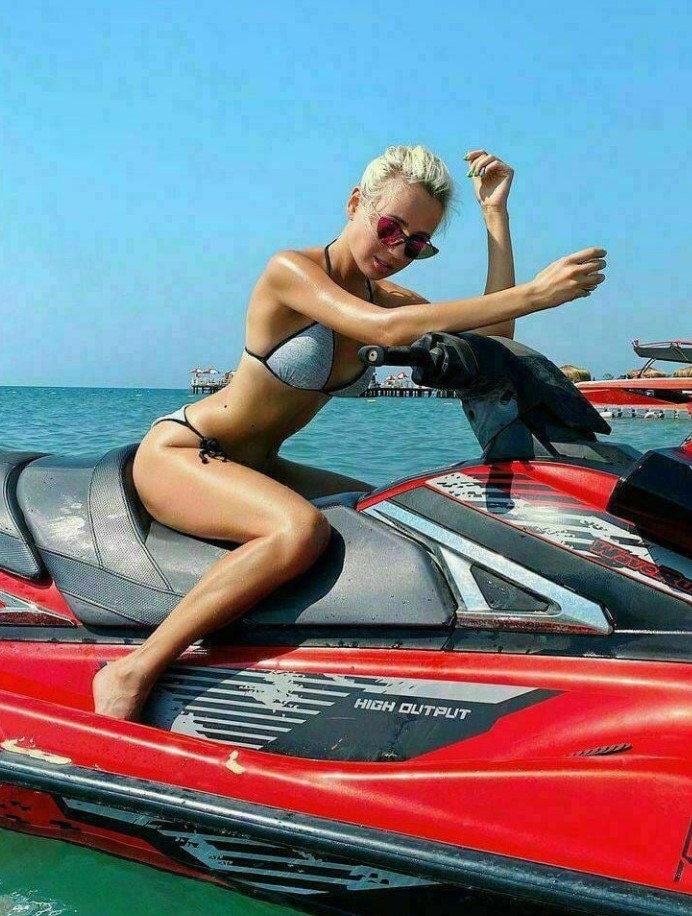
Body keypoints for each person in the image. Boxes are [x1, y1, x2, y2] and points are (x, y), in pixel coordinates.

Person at [93, 146, 607, 719]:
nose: (397, 251)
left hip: (262, 466)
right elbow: (381, 329)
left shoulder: (389, 299)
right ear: (355, 202)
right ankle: (135, 669)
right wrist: (537, 293)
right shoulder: (292, 271)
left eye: (416, 244)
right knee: (299, 530)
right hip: (188, 451)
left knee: (386, 513)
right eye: (390, 229)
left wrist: (495, 217)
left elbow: (493, 337)